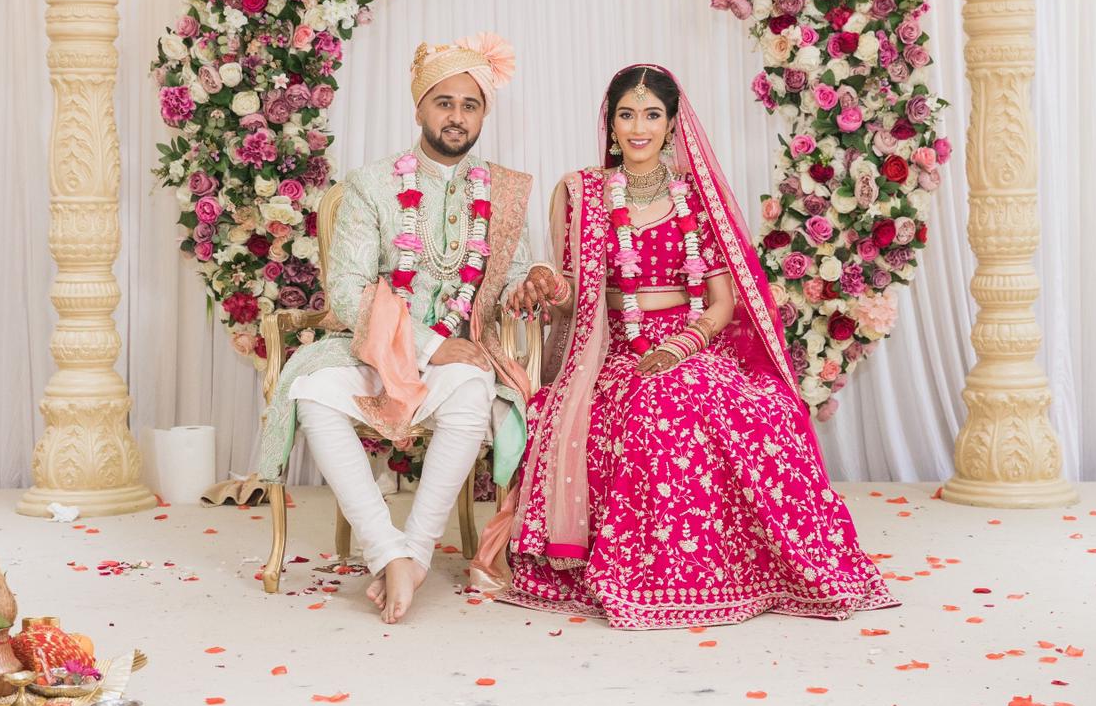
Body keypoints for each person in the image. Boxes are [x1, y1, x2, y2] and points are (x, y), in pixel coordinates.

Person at [475, 64, 897, 629]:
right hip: (614, 351)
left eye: (652, 115)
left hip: (692, 345)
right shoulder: (581, 194)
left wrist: (682, 344)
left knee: (759, 407)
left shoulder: (696, 197)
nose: (639, 127)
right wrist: (552, 284)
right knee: (655, 407)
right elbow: (576, 293)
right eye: (627, 115)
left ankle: (749, 569)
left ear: (672, 123)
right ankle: (657, 574)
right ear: (611, 124)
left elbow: (722, 302)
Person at [256, 32, 566, 623]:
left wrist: (537, 280)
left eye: (469, 105)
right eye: (444, 102)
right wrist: (428, 344)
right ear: (419, 106)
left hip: (457, 356)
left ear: (482, 117)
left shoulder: (501, 194)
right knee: (313, 391)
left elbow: (511, 276)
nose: (456, 117)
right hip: (376, 353)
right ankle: (387, 548)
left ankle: (415, 551)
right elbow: (346, 294)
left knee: (475, 390)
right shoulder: (371, 186)